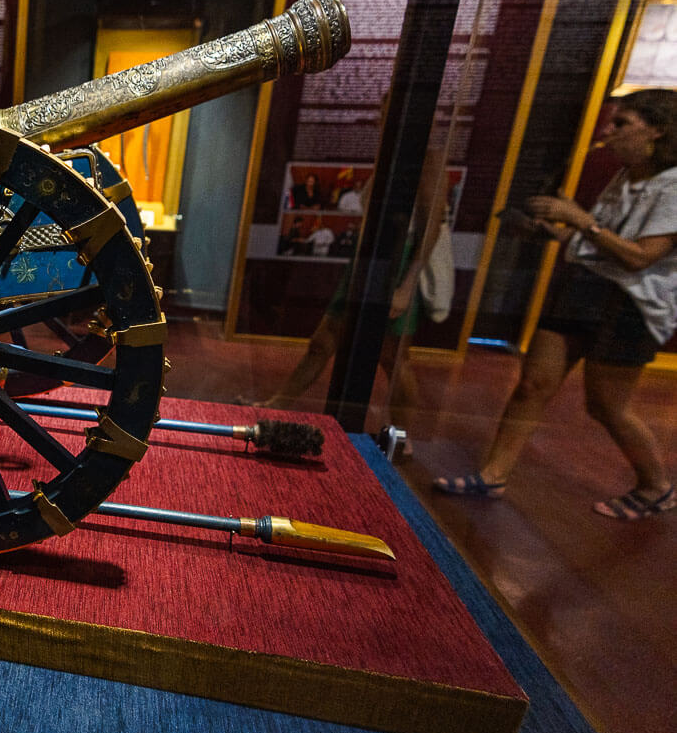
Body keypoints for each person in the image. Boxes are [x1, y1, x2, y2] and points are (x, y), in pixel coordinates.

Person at [434, 89, 677, 519]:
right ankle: (494, 473)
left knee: (605, 405)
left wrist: (580, 219)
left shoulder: (672, 186)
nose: (610, 132)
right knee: (533, 385)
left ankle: (657, 485)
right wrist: (549, 230)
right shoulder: (626, 175)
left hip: (628, 304)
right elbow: (598, 243)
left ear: (657, 130)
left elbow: (641, 256)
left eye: (623, 124)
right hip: (583, 288)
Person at [245, 152, 451, 454]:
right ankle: (277, 405)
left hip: (397, 259)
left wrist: (406, 285)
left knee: (393, 359)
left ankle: (403, 436)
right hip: (371, 258)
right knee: (323, 341)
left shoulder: (427, 160)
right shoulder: (392, 152)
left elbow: (430, 225)